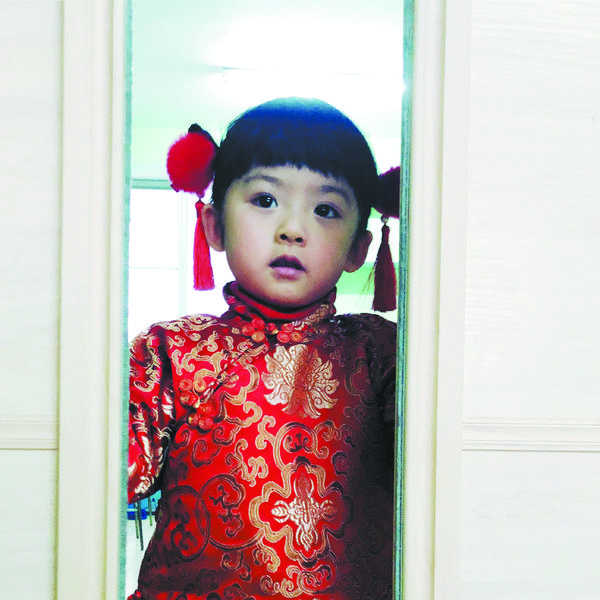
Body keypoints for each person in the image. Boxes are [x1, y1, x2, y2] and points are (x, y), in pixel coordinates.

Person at [128, 97, 397, 600]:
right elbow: (94, 478)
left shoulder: (382, 354)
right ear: (214, 225)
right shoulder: (172, 351)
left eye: (325, 210)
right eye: (266, 200)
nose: (292, 229)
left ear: (358, 249)